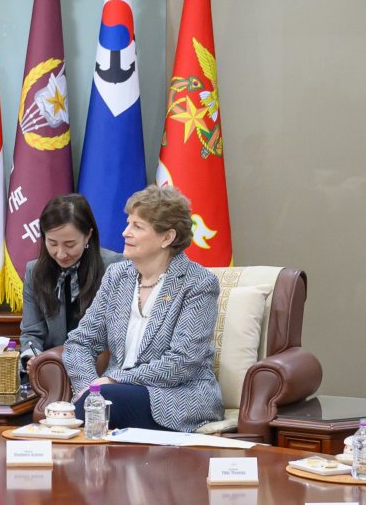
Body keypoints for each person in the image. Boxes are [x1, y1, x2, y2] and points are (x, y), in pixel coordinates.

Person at [63, 185, 224, 432]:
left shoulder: (198, 283)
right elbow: (80, 342)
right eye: (128, 223)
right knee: (99, 404)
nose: (125, 232)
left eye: (137, 227)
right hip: (111, 392)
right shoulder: (117, 276)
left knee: (103, 404)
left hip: (177, 395)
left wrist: (113, 381)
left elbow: (182, 361)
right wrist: (91, 387)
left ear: (167, 238)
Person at [19, 194, 123, 372]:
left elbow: (118, 335)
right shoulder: (34, 271)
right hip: (54, 371)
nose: (60, 254)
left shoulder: (114, 267)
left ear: (88, 236)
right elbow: (31, 332)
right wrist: (31, 356)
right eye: (52, 243)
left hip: (103, 370)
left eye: (70, 244)